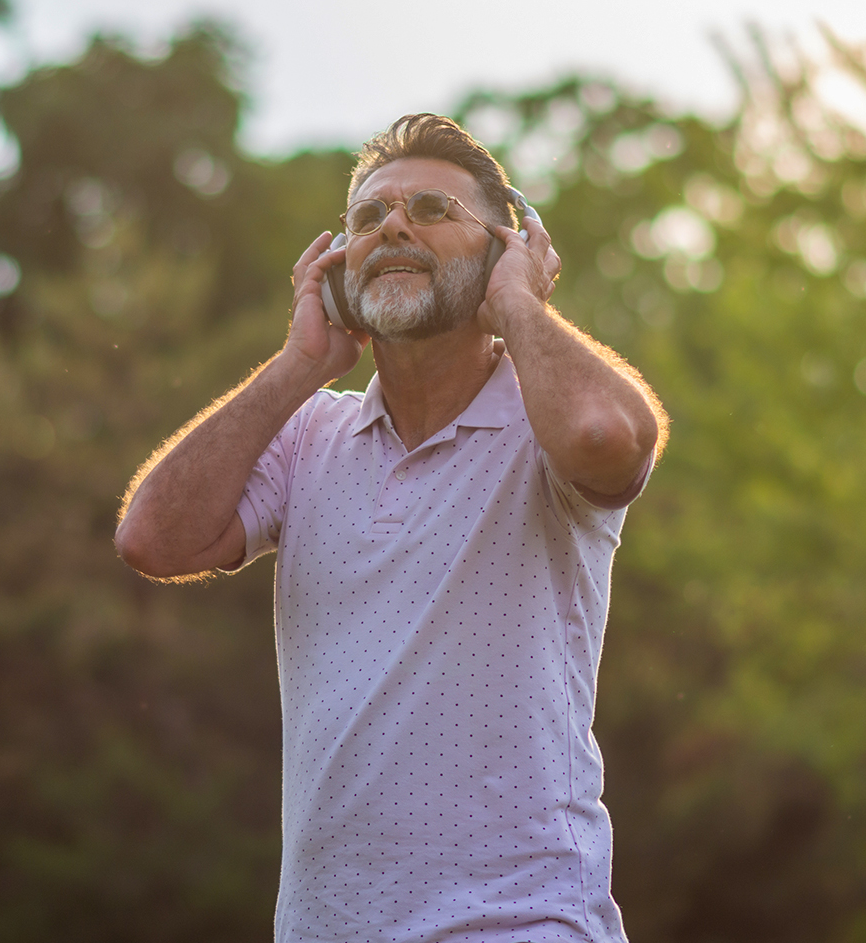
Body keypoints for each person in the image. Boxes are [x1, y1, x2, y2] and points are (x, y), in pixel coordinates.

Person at [115, 113, 667, 943]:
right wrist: (302, 364)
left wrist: (518, 308)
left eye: (433, 210)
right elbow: (153, 539)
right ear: (338, 267)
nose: (393, 226)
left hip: (519, 926)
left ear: (503, 253)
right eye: (367, 218)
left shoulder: (547, 425)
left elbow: (607, 441)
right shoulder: (308, 438)